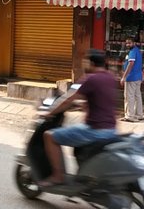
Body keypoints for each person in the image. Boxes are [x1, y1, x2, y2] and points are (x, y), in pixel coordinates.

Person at [41, 49, 117, 186]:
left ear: (92, 63)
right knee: (76, 132)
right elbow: (100, 98)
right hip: (111, 129)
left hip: (95, 130)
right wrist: (84, 104)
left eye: (85, 61)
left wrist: (50, 112)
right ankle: (83, 175)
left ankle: (58, 176)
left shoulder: (91, 79)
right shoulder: (110, 77)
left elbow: (67, 99)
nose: (84, 64)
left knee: (49, 136)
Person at [120, 37, 143, 122]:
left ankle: (130, 116)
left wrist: (124, 77)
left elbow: (131, 64)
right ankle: (139, 114)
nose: (127, 45)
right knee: (137, 96)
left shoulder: (132, 52)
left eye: (129, 43)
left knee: (129, 97)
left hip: (131, 77)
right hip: (138, 77)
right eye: (126, 43)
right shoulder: (138, 51)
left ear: (134, 43)